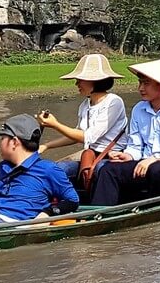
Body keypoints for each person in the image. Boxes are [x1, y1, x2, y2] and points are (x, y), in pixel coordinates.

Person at [87, 58, 160, 206]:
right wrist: (127, 155)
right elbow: (135, 146)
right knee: (109, 169)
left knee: (156, 170)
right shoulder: (139, 109)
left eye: (146, 83)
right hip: (145, 164)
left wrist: (155, 158)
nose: (140, 88)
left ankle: (149, 208)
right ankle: (100, 212)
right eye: (140, 83)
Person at [38, 53, 129, 185]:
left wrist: (55, 125)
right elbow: (76, 135)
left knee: (99, 170)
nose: (77, 84)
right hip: (91, 155)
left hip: (112, 156)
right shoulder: (85, 105)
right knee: (56, 169)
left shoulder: (113, 102)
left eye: (80, 80)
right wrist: (46, 146)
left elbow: (88, 137)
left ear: (95, 81)